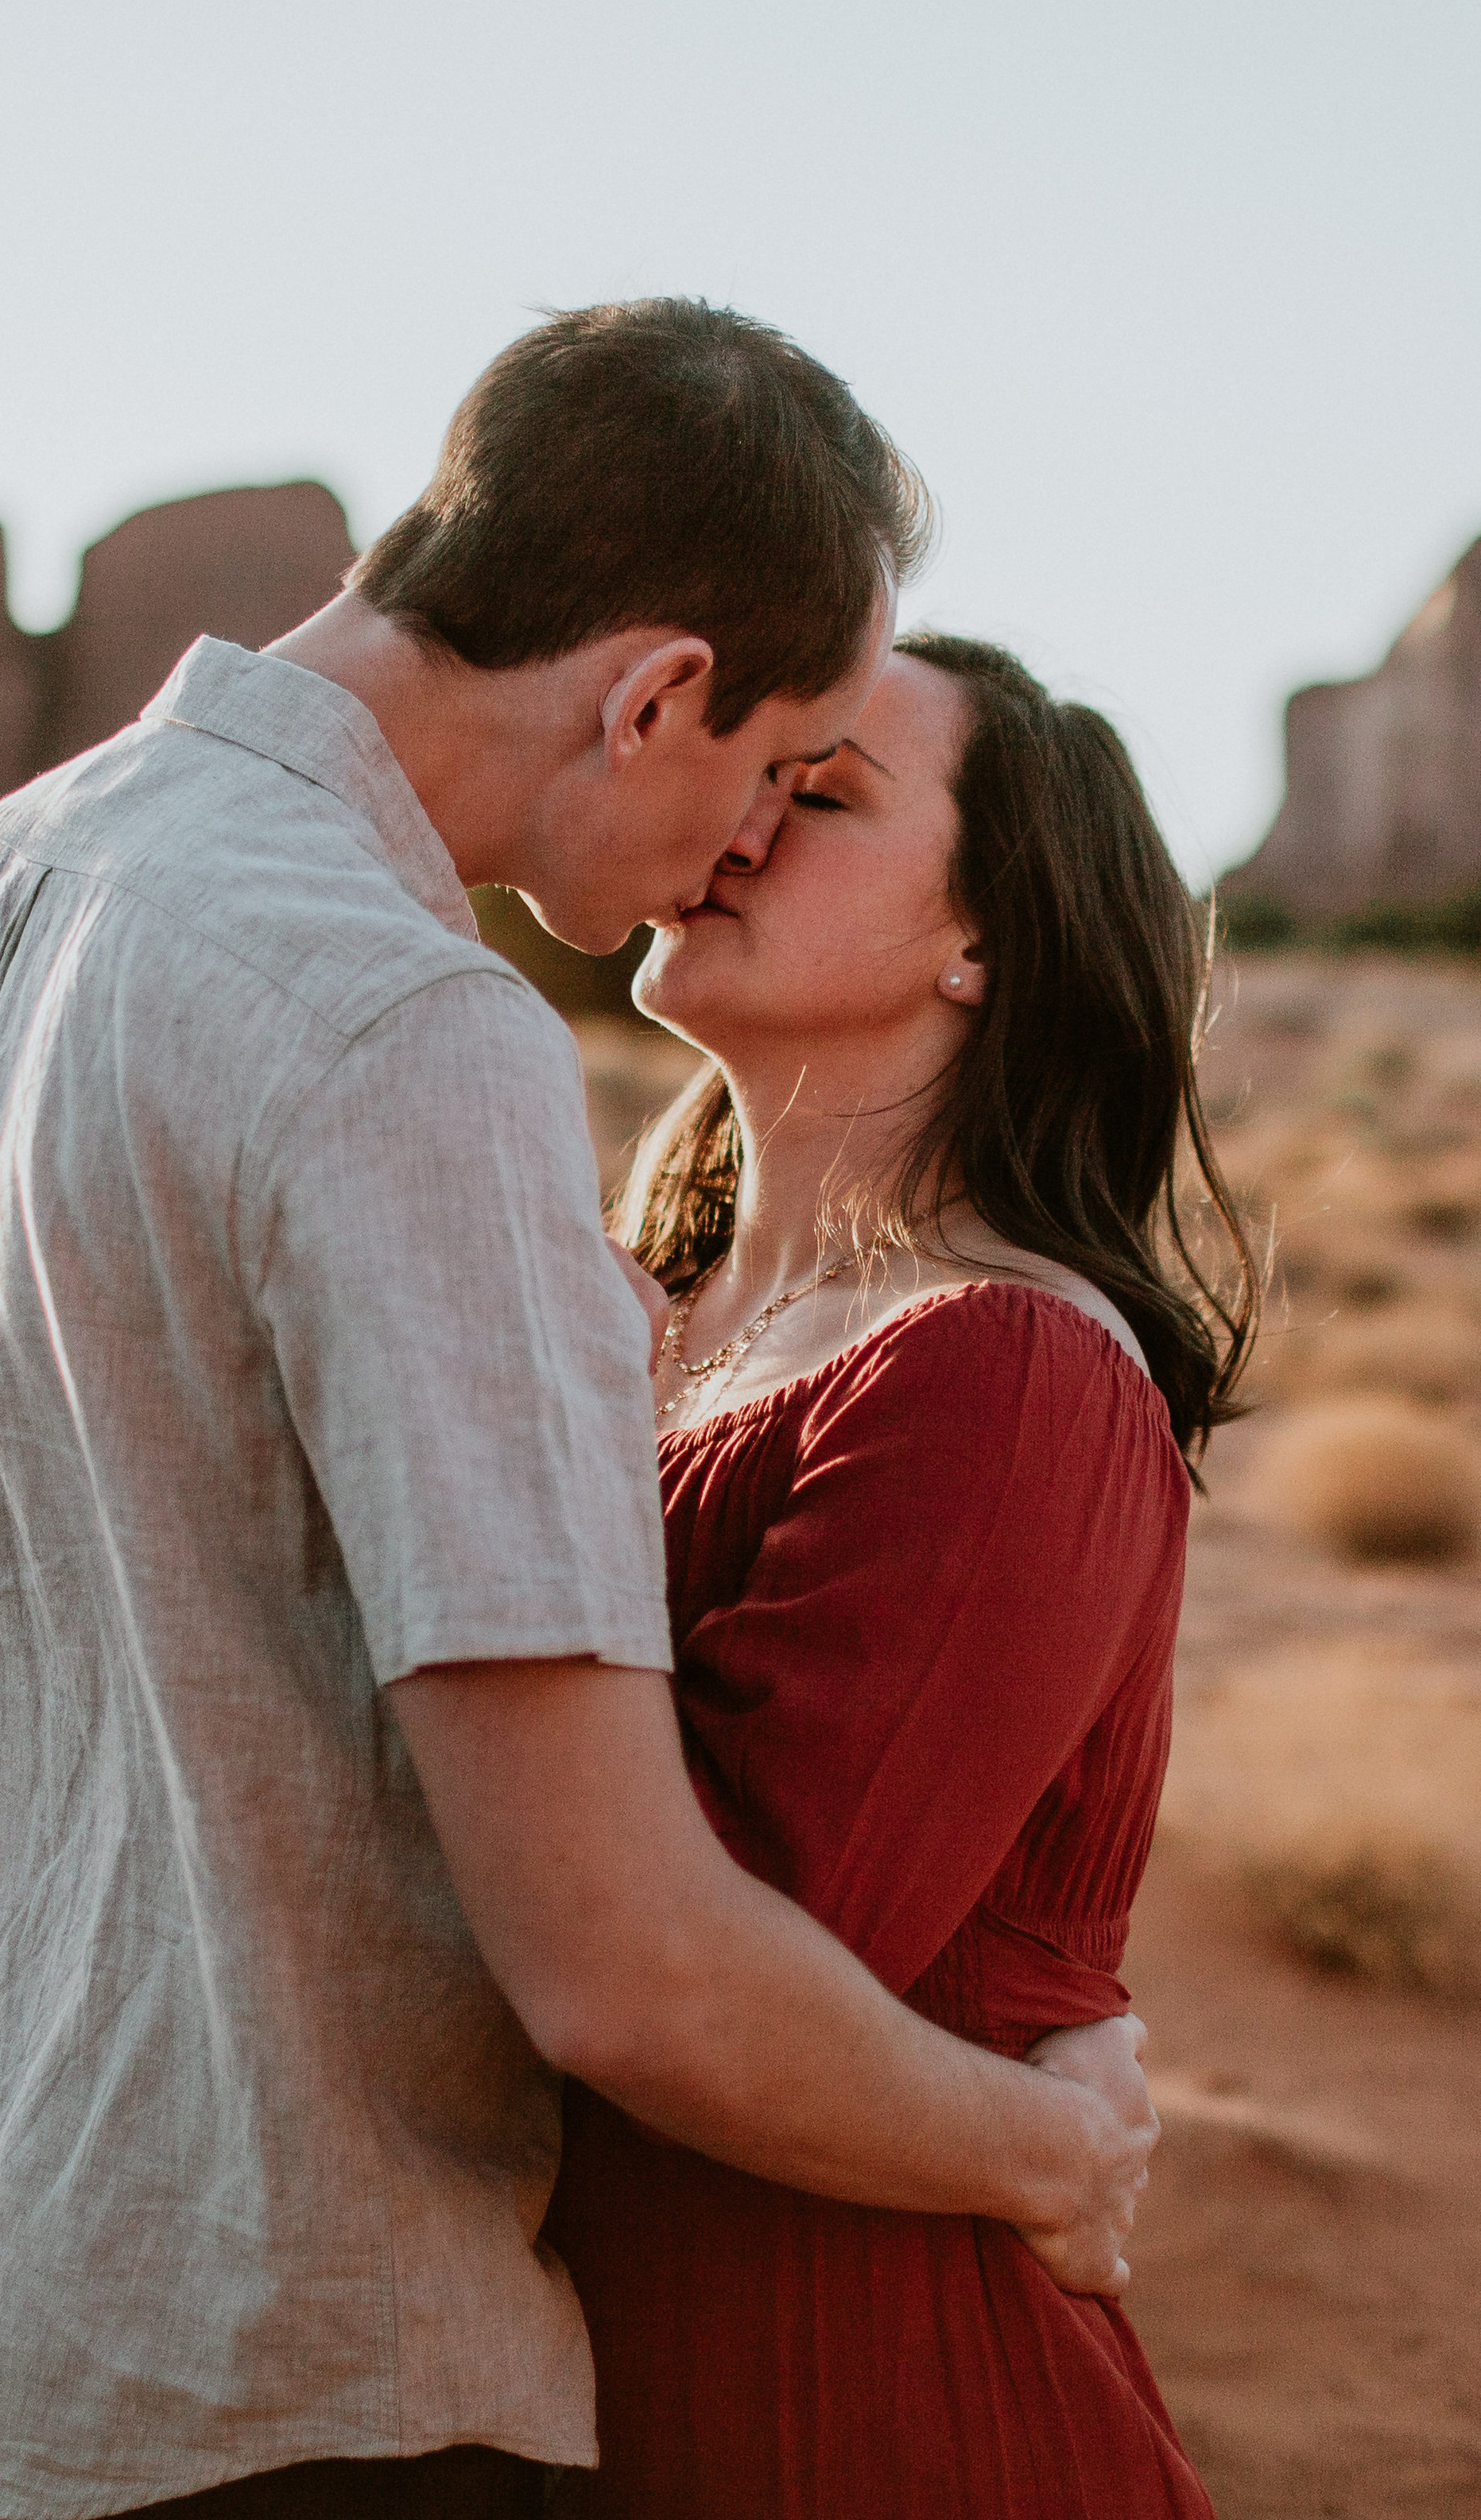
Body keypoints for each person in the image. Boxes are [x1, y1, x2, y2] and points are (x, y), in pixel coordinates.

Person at [0, 304, 1157, 2520]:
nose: (735, 833)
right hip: (288, 2371)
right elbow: (626, 1961)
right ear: (650, 693)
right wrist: (1055, 2131)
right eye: (772, 760)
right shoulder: (401, 1024)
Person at [544, 635, 1258, 2519]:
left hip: (859, 2406)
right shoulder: (616, 1320)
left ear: (984, 944)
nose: (735, 816)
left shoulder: (1001, 1370)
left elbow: (705, 1965)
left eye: (825, 790)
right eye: (747, 763)